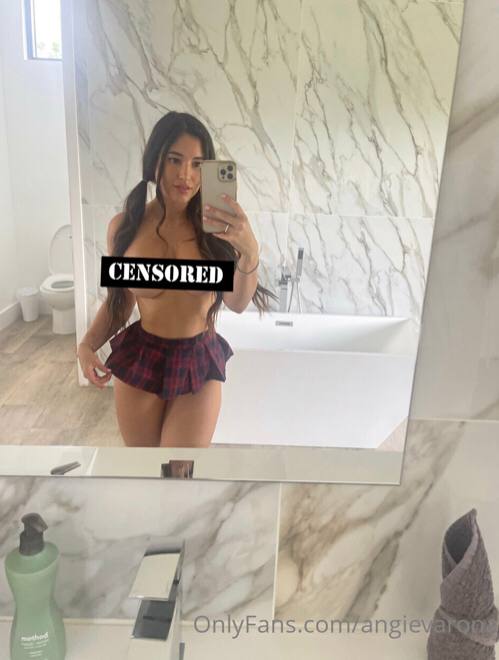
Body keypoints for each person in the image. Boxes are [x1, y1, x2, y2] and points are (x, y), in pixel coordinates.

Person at [77, 111, 276, 448]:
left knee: (179, 471)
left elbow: (238, 303)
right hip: (142, 355)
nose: (186, 174)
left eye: (197, 164)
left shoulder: (219, 231)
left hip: (197, 358)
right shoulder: (124, 228)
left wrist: (250, 252)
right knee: (145, 469)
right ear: (155, 160)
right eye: (174, 160)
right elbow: (120, 302)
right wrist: (86, 345)